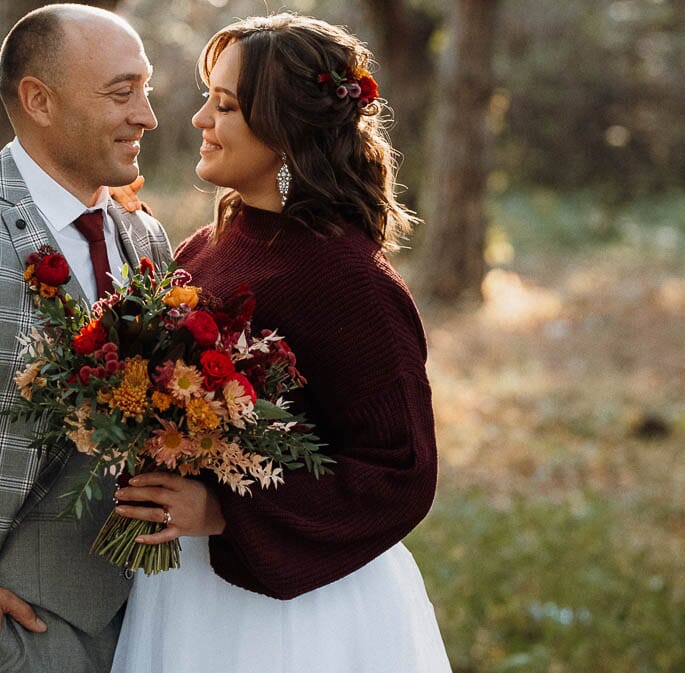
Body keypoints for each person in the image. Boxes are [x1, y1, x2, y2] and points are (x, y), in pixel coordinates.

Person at [110, 12, 452, 673]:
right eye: (208, 99)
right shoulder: (210, 245)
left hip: (294, 616)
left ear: (285, 129)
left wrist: (224, 510)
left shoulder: (347, 280)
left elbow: (401, 472)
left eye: (225, 105)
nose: (200, 120)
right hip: (182, 590)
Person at [0, 5, 171, 672]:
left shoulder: (144, 234)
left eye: (145, 89)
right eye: (121, 92)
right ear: (39, 100)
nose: (147, 116)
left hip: (152, 620)